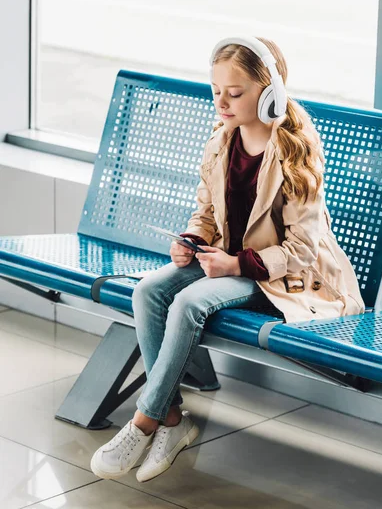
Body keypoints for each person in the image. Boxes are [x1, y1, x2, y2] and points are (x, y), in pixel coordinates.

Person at [90, 36, 365, 483]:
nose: (221, 101)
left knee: (189, 303)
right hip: (224, 263)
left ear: (269, 93)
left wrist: (237, 265)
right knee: (148, 290)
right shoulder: (222, 139)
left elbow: (301, 252)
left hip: (279, 278)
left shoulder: (296, 151)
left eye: (234, 93)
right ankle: (174, 420)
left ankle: (144, 421)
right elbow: (205, 213)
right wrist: (190, 241)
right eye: (216, 89)